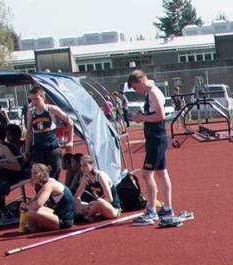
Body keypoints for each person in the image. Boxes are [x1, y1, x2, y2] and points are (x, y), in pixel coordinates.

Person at [127, 69, 182, 227]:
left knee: (146, 173)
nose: (137, 91)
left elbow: (160, 116)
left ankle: (151, 209)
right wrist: (143, 115)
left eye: (136, 87)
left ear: (141, 81)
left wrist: (141, 118)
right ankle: (167, 208)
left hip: (157, 139)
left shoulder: (153, 93)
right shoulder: (150, 93)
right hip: (155, 137)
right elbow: (154, 113)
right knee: (161, 172)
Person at [25, 86, 74, 179]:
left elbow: (70, 122)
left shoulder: (51, 109)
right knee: (39, 178)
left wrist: (70, 141)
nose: (34, 102)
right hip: (38, 150)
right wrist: (26, 149)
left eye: (37, 99)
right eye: (32, 99)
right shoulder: (30, 113)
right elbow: (28, 132)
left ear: (43, 98)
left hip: (52, 149)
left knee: (54, 177)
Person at [21, 162, 76, 232]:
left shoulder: (49, 185)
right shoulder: (48, 183)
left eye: (35, 173)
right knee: (31, 209)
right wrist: (28, 204)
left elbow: (38, 205)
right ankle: (34, 227)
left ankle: (33, 229)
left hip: (64, 221)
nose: (33, 176)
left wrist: (26, 207)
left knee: (31, 212)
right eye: (32, 173)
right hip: (58, 214)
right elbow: (35, 199)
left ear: (43, 174)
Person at [73, 154, 121, 220]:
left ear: (92, 165)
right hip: (97, 207)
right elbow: (76, 197)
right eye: (81, 166)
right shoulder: (85, 178)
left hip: (112, 208)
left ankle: (87, 216)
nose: (82, 168)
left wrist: (95, 203)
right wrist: (78, 205)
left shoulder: (100, 176)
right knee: (74, 204)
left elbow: (110, 199)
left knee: (99, 201)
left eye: (85, 165)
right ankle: (86, 215)